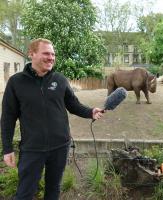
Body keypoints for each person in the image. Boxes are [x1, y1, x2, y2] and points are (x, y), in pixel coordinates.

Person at [1, 38, 104, 200]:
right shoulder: (16, 82)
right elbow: (7, 117)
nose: (51, 57)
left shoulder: (60, 80)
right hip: (32, 149)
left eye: (53, 54)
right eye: (46, 53)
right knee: (25, 193)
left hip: (60, 146)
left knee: (53, 189)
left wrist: (90, 112)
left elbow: (73, 105)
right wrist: (7, 149)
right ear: (32, 54)